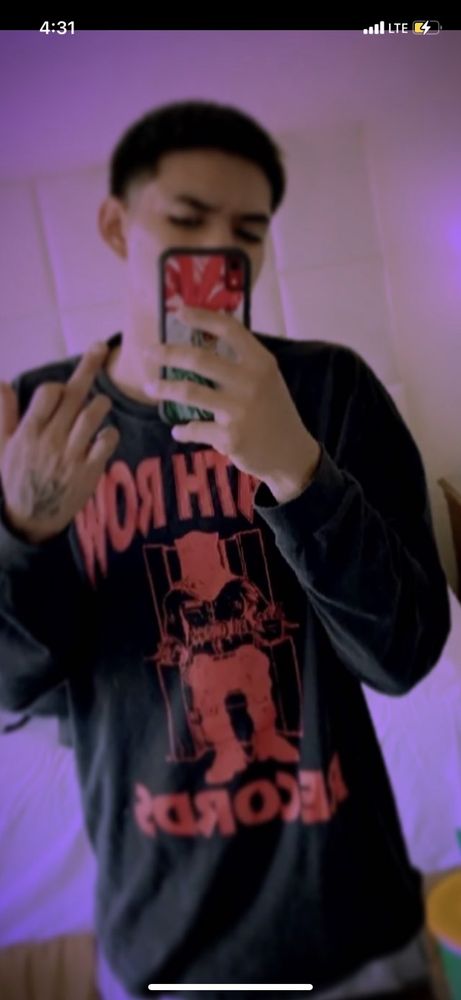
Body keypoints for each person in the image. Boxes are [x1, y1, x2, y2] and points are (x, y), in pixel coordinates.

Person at [0, 100, 448, 1000]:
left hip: (354, 926)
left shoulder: (329, 389)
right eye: (186, 220)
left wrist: (297, 470)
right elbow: (11, 689)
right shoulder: (42, 422)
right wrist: (26, 535)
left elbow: (401, 658)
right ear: (116, 226)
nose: (217, 254)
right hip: (164, 943)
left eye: (246, 233)